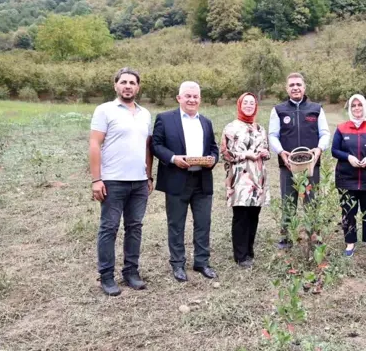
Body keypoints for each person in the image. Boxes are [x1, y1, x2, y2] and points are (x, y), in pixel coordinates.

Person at [89, 67, 153, 296]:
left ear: (138, 87)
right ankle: (106, 276)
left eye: (132, 82)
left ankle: (131, 272)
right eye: (123, 82)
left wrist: (149, 175)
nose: (128, 86)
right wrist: (97, 179)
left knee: (134, 227)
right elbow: (95, 144)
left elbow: (148, 146)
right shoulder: (105, 110)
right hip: (113, 181)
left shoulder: (145, 114)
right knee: (109, 228)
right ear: (115, 85)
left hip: (139, 182)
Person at [152, 81, 219, 282]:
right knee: (176, 224)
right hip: (176, 179)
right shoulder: (165, 119)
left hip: (202, 180)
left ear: (200, 99)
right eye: (187, 96)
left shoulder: (206, 122)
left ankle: (202, 262)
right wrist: (173, 159)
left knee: (203, 223)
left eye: (195, 96)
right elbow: (156, 145)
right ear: (179, 98)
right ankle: (178, 264)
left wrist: (213, 159)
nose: (192, 99)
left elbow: (213, 148)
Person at [268, 72, 331, 249]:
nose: (295, 87)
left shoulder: (316, 109)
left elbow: (325, 133)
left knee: (311, 200)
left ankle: (314, 236)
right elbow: (273, 135)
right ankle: (286, 238)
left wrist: (319, 149)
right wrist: (281, 152)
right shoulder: (279, 110)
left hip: (311, 165)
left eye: (298, 84)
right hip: (288, 166)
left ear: (304, 87)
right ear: (287, 88)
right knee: (288, 201)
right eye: (292, 85)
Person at [220, 92, 270, 268]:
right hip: (240, 176)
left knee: (254, 214)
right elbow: (225, 154)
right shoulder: (231, 128)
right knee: (241, 215)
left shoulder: (260, 129)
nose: (249, 105)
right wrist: (244, 154)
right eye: (245, 103)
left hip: (258, 176)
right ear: (239, 105)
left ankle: (249, 249)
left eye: (252, 103)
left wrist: (265, 153)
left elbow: (266, 150)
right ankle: (240, 255)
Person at [331, 94, 366, 258]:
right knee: (348, 212)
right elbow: (334, 150)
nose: (356, 108)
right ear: (349, 108)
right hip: (347, 178)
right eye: (353, 105)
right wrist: (349, 158)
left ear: (364, 107)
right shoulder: (341, 128)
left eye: (359, 105)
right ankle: (350, 242)